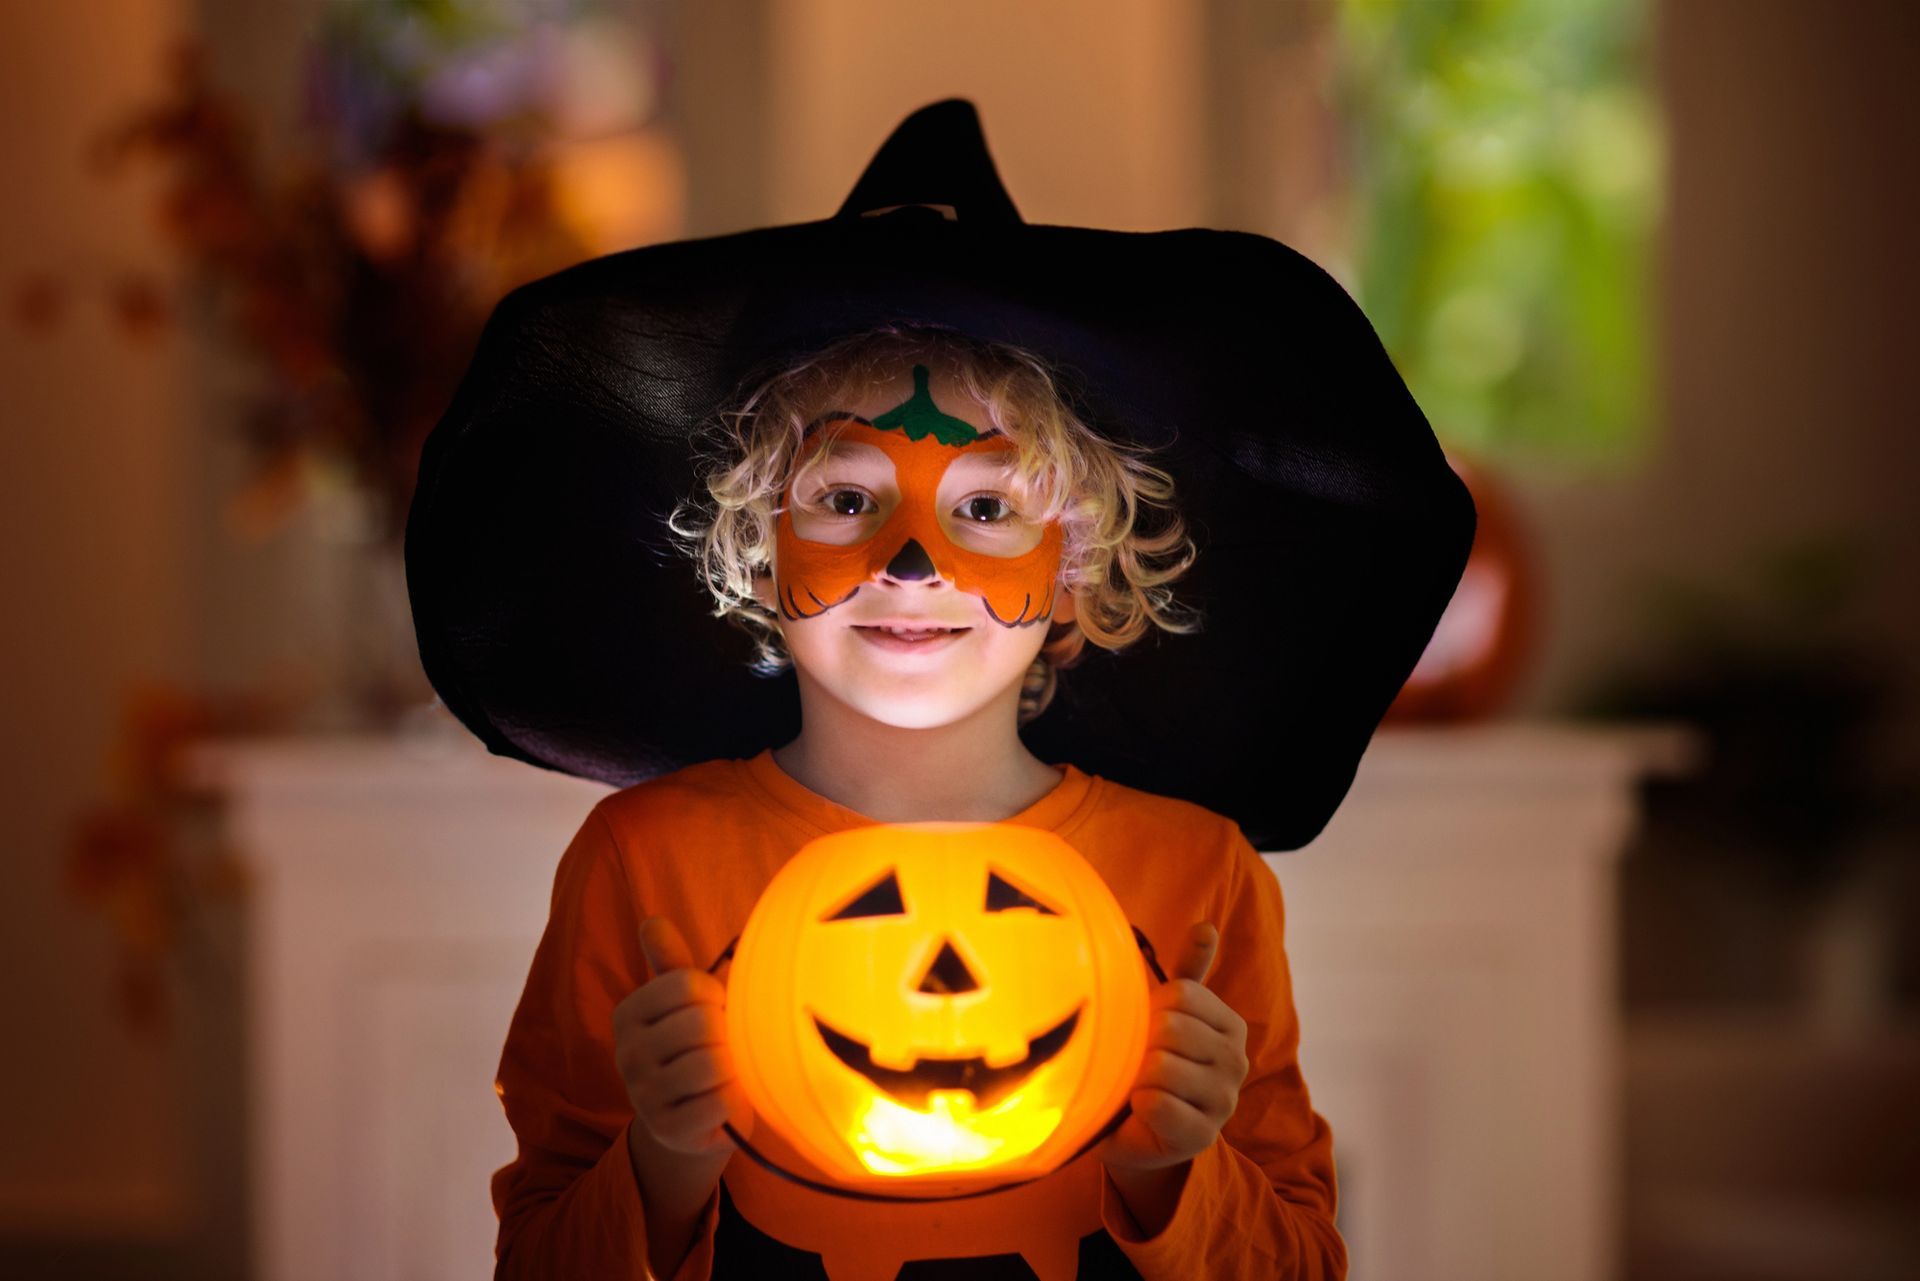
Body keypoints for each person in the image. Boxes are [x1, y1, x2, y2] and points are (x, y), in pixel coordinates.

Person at [406, 98, 1473, 1280]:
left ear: (1076, 568)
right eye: (847, 500)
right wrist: (660, 1160)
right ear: (759, 549)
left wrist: (1178, 1170)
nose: (910, 561)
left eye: (984, 509)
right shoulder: (640, 867)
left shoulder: (1197, 881)